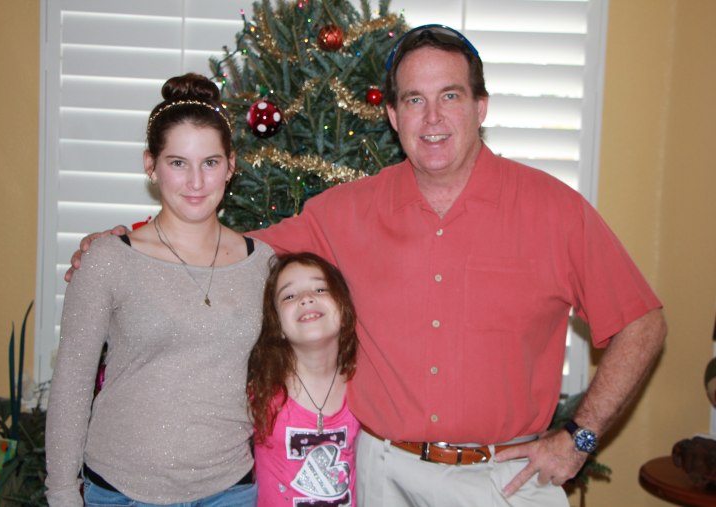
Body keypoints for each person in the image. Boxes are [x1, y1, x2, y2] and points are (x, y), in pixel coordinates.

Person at [66, 25, 667, 506]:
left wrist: (579, 439)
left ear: (480, 106)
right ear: (393, 116)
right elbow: (226, 250)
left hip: (504, 479)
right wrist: (133, 242)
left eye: (450, 97)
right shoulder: (347, 211)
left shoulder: (553, 211)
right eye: (414, 100)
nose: (432, 119)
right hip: (381, 477)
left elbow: (642, 322)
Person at [45, 73, 275, 507]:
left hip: (229, 489)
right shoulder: (108, 258)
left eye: (210, 162)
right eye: (177, 162)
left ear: (231, 165)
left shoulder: (263, 263)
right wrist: (61, 491)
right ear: (150, 165)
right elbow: (72, 385)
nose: (195, 182)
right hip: (121, 490)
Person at [247, 252, 360, 506]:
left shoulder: (363, 385)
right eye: (289, 296)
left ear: (343, 308)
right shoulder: (260, 391)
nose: (306, 298)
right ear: (277, 325)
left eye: (320, 289)